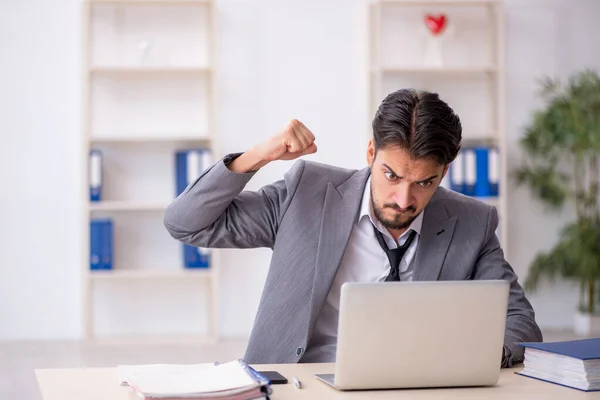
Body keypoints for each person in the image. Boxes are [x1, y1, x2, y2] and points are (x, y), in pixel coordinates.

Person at [163, 88, 543, 367]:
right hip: (301, 382)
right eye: (390, 175)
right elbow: (186, 224)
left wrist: (477, 355)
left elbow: (520, 322)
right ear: (369, 154)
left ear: (444, 172)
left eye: (424, 182)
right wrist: (258, 156)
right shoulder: (307, 193)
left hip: (416, 387)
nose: (403, 199)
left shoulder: (472, 222)